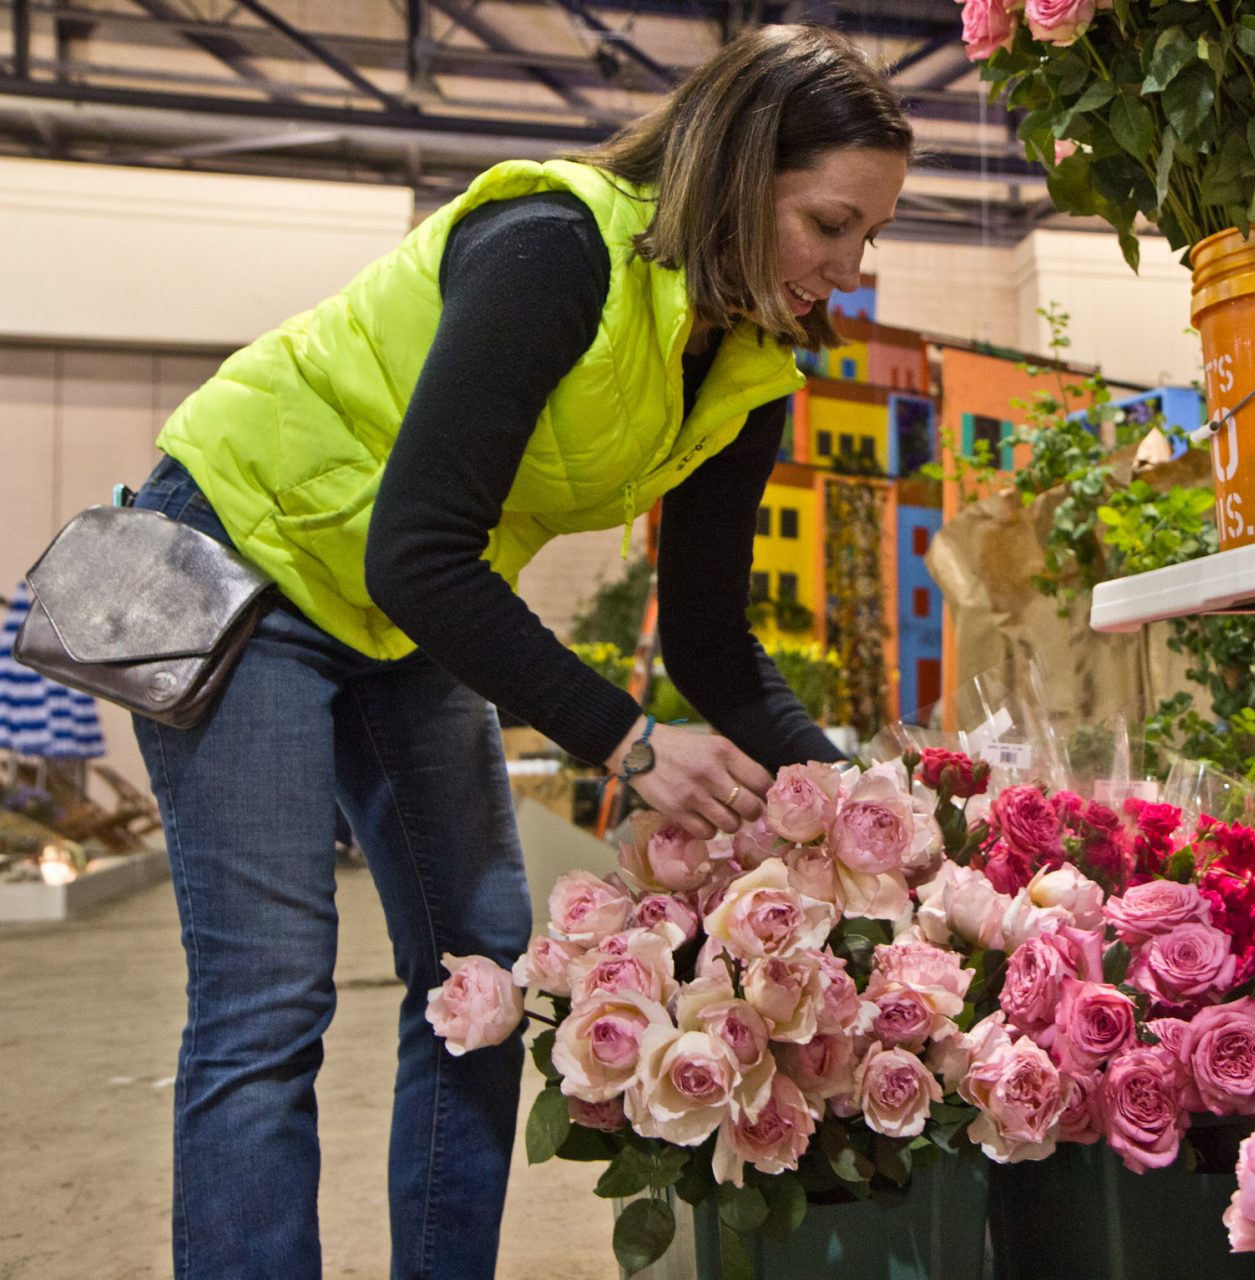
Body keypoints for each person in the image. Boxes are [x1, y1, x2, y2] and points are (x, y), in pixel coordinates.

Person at [125, 25, 910, 1280]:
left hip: (397, 607)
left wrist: (865, 807)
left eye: (870, 235)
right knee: (271, 998)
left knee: (482, 978)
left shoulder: (751, 367)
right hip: (239, 559)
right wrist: (628, 742)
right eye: (829, 223)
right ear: (737, 168)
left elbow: (710, 635)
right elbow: (420, 550)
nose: (850, 267)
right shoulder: (557, 245)